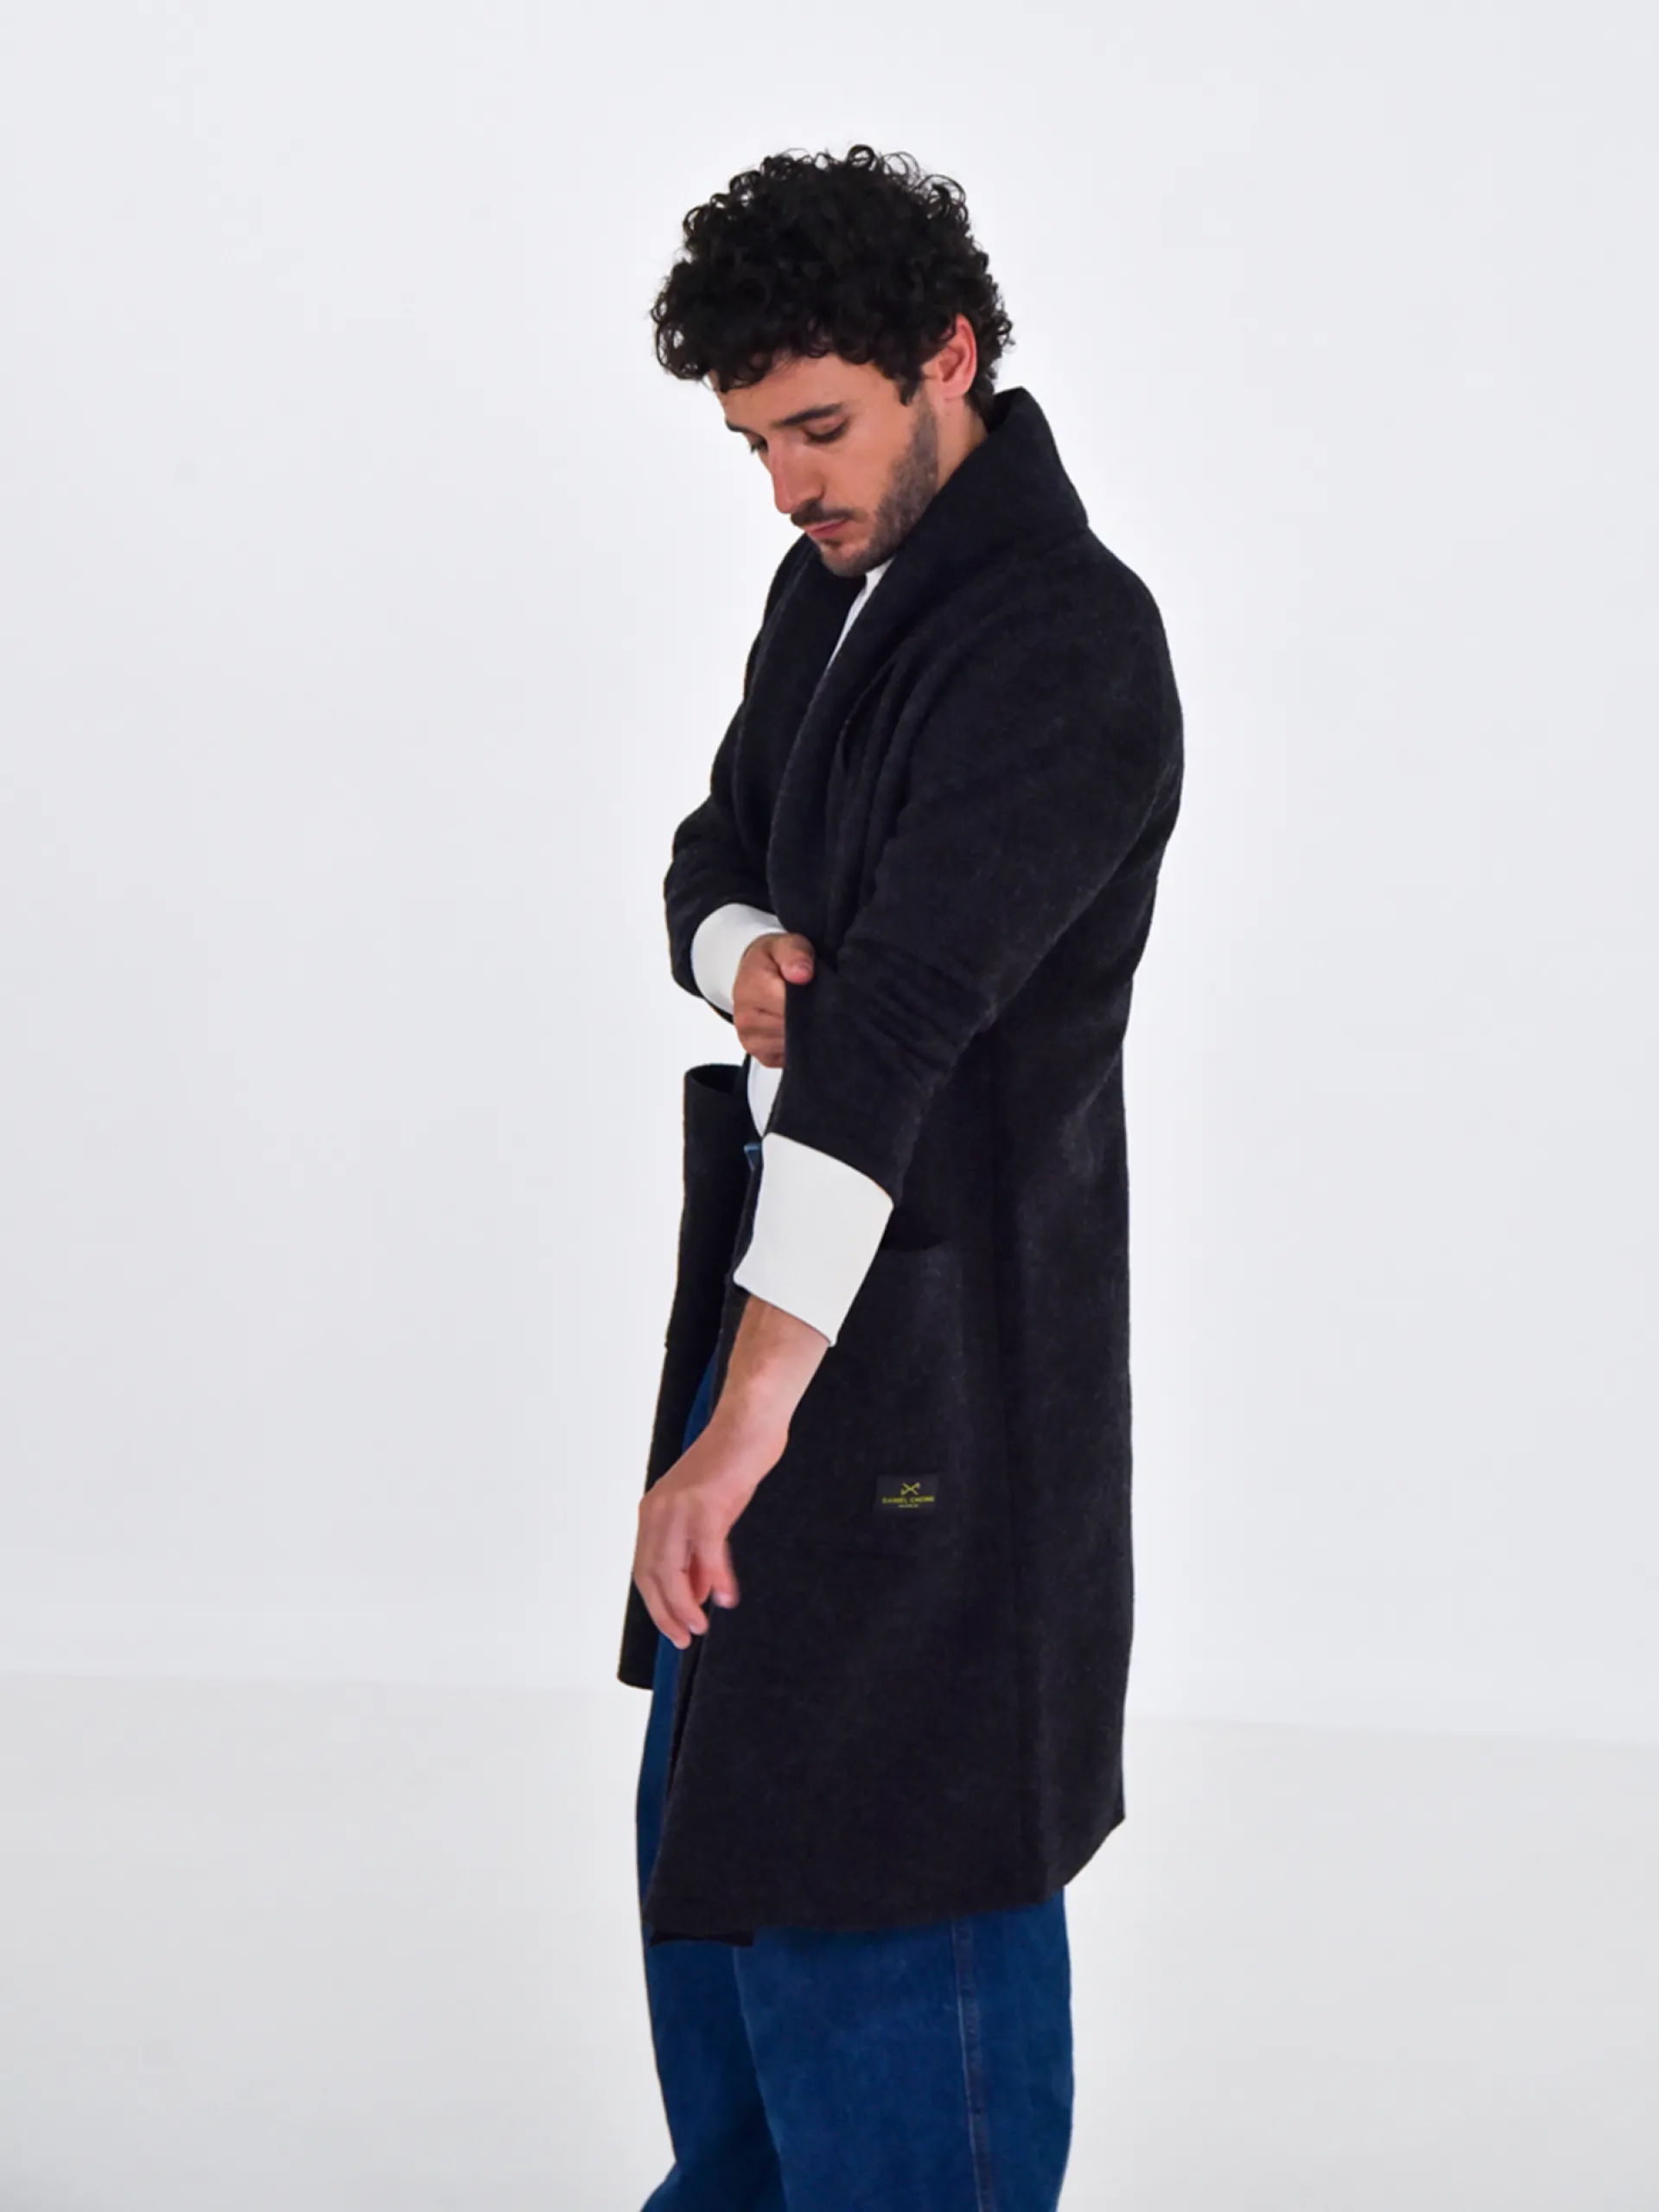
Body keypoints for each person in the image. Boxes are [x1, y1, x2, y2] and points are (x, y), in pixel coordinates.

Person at [617, 143, 1185, 2210]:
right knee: (732, 1938)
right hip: (782, 1329)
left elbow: (909, 1024)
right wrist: (743, 949)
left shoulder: (1065, 645)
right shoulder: (835, 591)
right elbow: (713, 846)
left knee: (895, 1925)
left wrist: (748, 1415)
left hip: (943, 1390)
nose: (787, 485)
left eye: (820, 428)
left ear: (950, 357)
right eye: (757, 443)